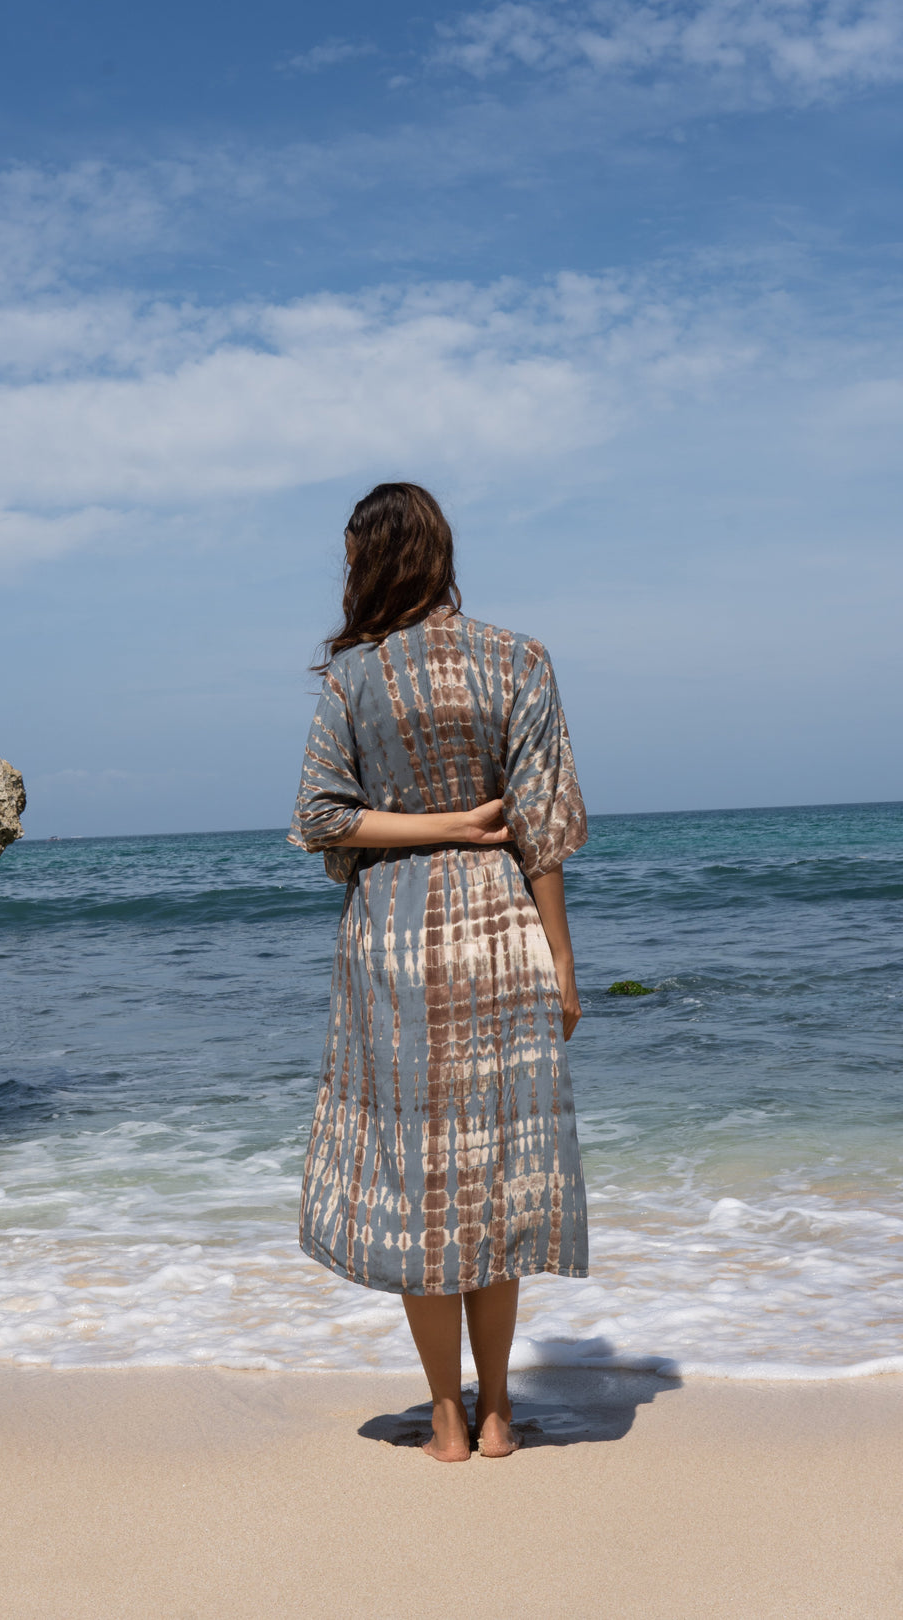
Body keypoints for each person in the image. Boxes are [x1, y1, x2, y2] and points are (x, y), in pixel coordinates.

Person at [288, 483, 588, 1462]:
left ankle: (447, 1422)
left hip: (395, 945)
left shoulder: (352, 681)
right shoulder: (521, 660)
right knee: (494, 1184)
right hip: (503, 933)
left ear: (375, 562)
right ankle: (500, 1413)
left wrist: (429, 827)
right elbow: (543, 831)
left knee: (424, 1188)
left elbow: (324, 819)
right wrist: (561, 962)